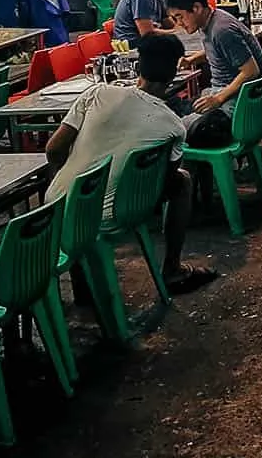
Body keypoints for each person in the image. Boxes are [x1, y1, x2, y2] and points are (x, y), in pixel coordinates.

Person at [45, 32, 212, 294]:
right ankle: (172, 268)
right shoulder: (173, 126)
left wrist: (70, 177)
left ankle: (82, 278)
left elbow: (53, 148)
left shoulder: (97, 93)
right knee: (183, 180)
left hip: (55, 208)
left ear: (138, 66)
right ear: (173, 74)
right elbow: (164, 180)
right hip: (116, 214)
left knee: (76, 190)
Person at [166, 0, 262, 144]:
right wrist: (191, 59)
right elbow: (218, 50)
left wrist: (218, 99)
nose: (179, 24)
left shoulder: (222, 30)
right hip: (227, 94)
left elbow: (251, 71)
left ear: (197, 8)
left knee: (175, 132)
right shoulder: (212, 20)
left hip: (239, 103)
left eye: (180, 17)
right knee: (171, 109)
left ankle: (201, 168)